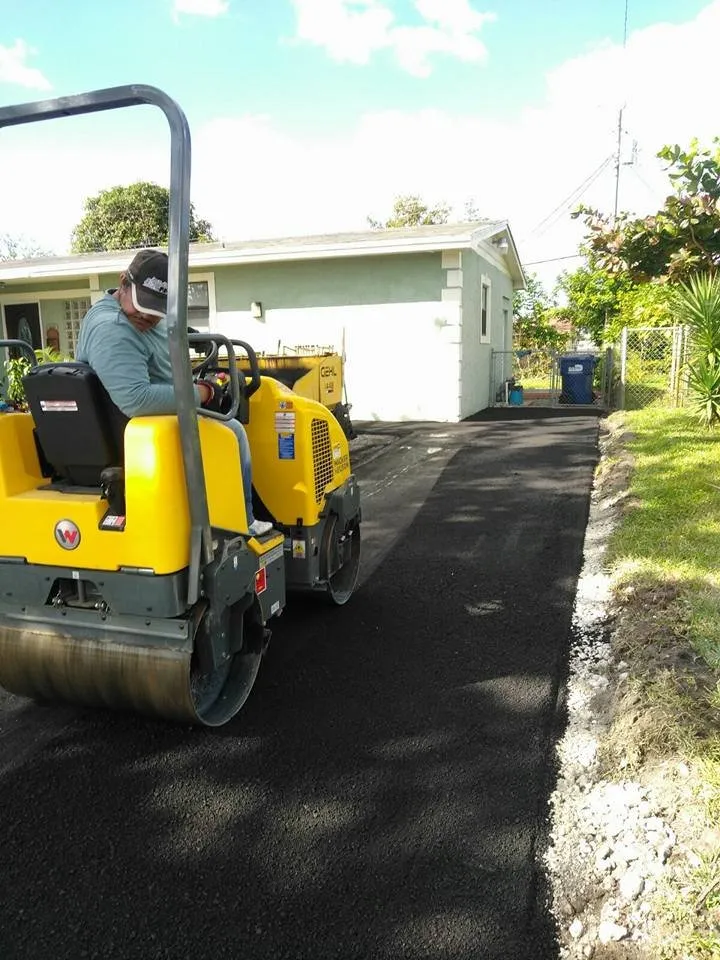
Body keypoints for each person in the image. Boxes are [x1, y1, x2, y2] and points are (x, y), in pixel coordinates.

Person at [75, 248, 273, 537]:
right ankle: (242, 520)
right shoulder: (113, 330)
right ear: (123, 283)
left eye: (158, 310)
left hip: (141, 423)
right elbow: (137, 399)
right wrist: (204, 393)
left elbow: (166, 326)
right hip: (141, 428)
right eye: (144, 307)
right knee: (232, 431)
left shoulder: (125, 312)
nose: (148, 316)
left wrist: (196, 340)